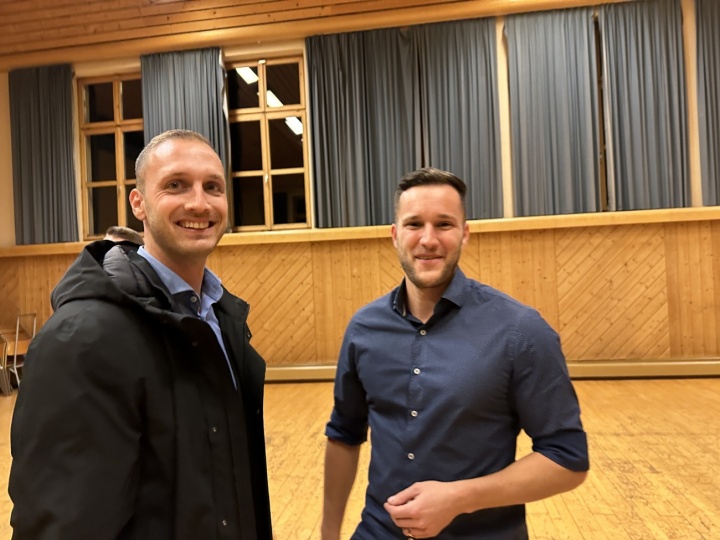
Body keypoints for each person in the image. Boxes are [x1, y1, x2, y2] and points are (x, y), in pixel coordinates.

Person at [9, 129, 273, 540]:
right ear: (139, 204)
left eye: (213, 187)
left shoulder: (222, 320)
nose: (199, 202)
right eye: (175, 185)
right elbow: (61, 523)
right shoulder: (81, 339)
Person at [322, 167, 589, 540]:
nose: (428, 240)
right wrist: (329, 533)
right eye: (414, 224)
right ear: (395, 235)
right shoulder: (364, 329)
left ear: (465, 233)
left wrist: (459, 498)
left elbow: (568, 458)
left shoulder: (521, 331)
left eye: (444, 224)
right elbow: (343, 435)